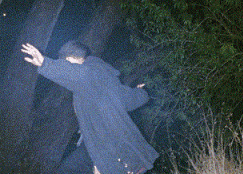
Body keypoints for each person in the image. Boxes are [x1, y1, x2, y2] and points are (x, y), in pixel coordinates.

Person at [21, 41, 159, 174]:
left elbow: (76, 74)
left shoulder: (91, 72)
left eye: (66, 63)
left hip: (109, 144)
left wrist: (45, 63)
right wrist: (141, 92)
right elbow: (128, 100)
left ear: (69, 59)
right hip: (96, 141)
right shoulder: (104, 77)